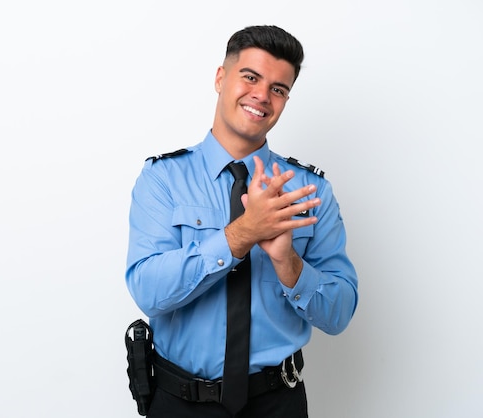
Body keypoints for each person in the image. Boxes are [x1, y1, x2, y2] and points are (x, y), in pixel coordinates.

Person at [125, 25, 358, 418]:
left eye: (279, 89)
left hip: (276, 403)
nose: (262, 96)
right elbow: (149, 291)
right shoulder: (162, 179)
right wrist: (243, 234)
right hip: (179, 402)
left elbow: (339, 314)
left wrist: (289, 264)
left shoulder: (309, 190)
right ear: (221, 78)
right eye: (250, 77)